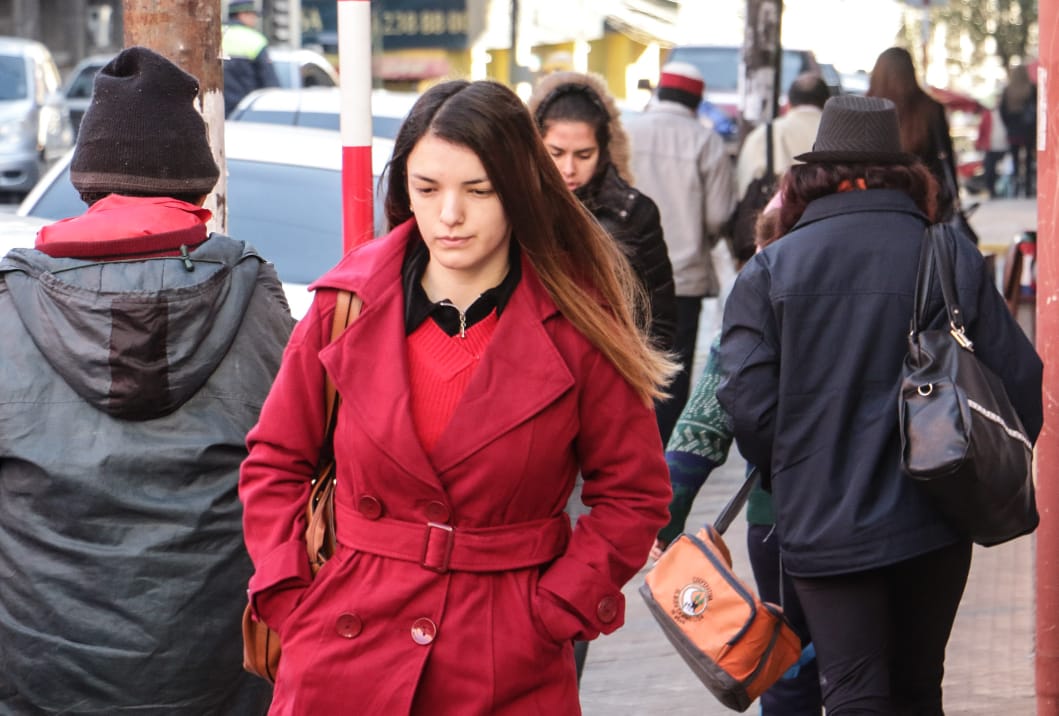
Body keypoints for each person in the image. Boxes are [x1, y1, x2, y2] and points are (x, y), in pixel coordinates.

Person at [239, 79, 675, 714]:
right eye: (427, 189)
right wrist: (290, 592)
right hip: (344, 644)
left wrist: (555, 609)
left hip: (505, 650)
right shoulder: (347, 306)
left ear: (521, 189)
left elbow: (633, 495)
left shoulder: (581, 322)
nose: (449, 215)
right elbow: (275, 460)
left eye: (479, 190)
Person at [717, 95, 1042, 714]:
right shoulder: (949, 254)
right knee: (920, 688)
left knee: (851, 693)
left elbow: (748, 409)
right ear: (902, 174)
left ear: (810, 179)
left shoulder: (769, 270)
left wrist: (800, 475)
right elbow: (1022, 384)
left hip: (821, 525)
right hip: (938, 515)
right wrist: (976, 472)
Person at [0, 47, 293, 714]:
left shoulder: (9, 302)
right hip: (222, 668)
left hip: (41, 671)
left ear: (87, 187)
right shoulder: (254, 294)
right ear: (198, 189)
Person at [527, 70, 677, 684]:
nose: (568, 168)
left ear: (606, 148)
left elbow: (660, 332)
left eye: (583, 155)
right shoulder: (513, 207)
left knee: (577, 575)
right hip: (529, 414)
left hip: (600, 420)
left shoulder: (633, 214)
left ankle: (562, 681)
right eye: (555, 153)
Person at [653, 198, 823, 716]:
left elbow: (703, 424)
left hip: (782, 517)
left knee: (787, 667)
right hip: (888, 517)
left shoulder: (757, 304)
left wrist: (665, 519)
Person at [626, 61, 735, 444]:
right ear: (696, 100)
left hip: (626, 271)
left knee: (625, 363)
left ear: (659, 91)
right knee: (672, 370)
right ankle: (659, 455)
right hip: (682, 278)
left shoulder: (627, 130)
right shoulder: (705, 141)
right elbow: (720, 215)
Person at [867, 46, 958, 220]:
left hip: (875, 205)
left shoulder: (865, 109)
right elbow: (945, 157)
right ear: (911, 72)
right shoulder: (931, 109)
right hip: (924, 204)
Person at [734, 72, 830, 199]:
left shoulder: (763, 134)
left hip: (778, 215)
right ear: (827, 102)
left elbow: (743, 188)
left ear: (789, 103)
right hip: (829, 214)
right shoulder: (841, 134)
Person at [223, 0, 280, 116]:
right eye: (253, 15)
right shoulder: (255, 40)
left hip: (216, 111)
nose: (255, 20)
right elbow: (269, 81)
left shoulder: (215, 35)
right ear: (242, 14)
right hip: (245, 112)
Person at [1000, 64, 1037, 197]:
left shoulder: (1007, 90)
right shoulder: (1031, 88)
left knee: (1015, 159)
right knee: (1028, 159)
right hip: (1028, 128)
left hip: (1013, 128)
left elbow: (1002, 111)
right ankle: (1027, 187)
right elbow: (1037, 108)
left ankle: (1015, 187)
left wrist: (1008, 125)